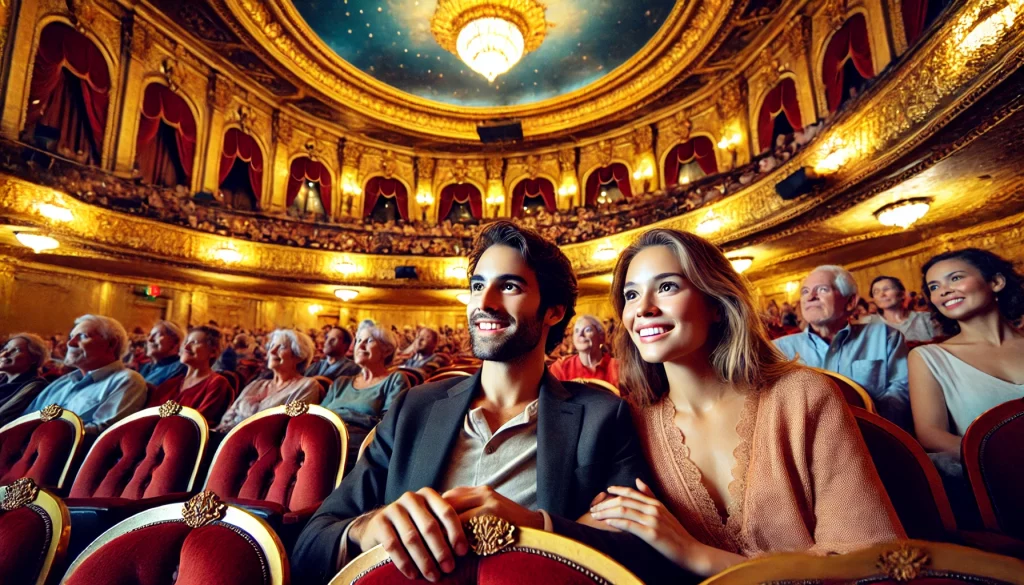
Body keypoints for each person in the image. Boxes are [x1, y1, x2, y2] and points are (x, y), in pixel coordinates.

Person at [292, 221, 676, 585]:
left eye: (509, 286)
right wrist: (367, 528)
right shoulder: (415, 407)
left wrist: (538, 526)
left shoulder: (602, 415)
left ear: (554, 311)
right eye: (477, 286)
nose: (484, 302)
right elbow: (311, 544)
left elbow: (644, 554)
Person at [587, 229, 903, 577]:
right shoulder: (630, 421)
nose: (643, 309)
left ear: (716, 305)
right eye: (631, 295)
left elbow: (869, 562)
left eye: (667, 287)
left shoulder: (803, 395)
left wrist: (695, 553)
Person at [909, 249, 1024, 456]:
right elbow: (931, 435)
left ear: (996, 282)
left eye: (955, 278)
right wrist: (999, 459)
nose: (943, 291)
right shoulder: (929, 357)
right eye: (934, 287)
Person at [774, 265, 911, 429]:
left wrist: (857, 422)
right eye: (805, 291)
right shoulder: (779, 349)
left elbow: (902, 393)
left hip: (873, 436)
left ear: (850, 302)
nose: (810, 297)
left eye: (822, 289)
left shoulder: (885, 337)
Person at [25, 315, 147, 434]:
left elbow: (104, 433)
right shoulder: (64, 382)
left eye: (83, 336)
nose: (70, 343)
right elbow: (25, 419)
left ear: (111, 344)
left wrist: (45, 434)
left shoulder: (126, 380)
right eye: (71, 337)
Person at [320, 325, 411, 469]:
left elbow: (388, 425)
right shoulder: (341, 382)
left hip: (359, 452)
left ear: (387, 350)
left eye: (369, 341)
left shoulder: (394, 380)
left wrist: (343, 417)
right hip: (322, 443)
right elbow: (318, 416)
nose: (360, 346)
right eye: (358, 340)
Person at [214, 329, 323, 432]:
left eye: (281, 347)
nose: (272, 351)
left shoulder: (306, 386)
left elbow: (284, 427)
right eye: (271, 346)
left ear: (299, 356)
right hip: (227, 438)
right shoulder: (256, 384)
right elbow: (227, 417)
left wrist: (242, 416)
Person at [147, 326, 234, 425]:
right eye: (186, 342)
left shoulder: (216, 383)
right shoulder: (171, 384)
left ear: (213, 352)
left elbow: (198, 423)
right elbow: (147, 417)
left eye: (194, 342)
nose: (186, 347)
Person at [549, 315, 620, 388]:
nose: (580, 335)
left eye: (587, 330)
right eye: (576, 331)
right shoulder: (561, 367)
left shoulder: (618, 367)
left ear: (602, 336)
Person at [864, 276, 938, 343]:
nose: (882, 295)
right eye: (876, 292)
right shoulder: (869, 324)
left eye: (886, 289)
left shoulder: (926, 318)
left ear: (902, 294)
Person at [0, 333, 50, 426]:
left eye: (16, 350)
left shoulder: (36, 388)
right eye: (5, 349)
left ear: (34, 358)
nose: (4, 354)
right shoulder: (2, 380)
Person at [138, 321, 187, 386]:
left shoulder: (180, 368)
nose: (149, 339)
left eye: (157, 335)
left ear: (176, 341)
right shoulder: (146, 367)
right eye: (149, 335)